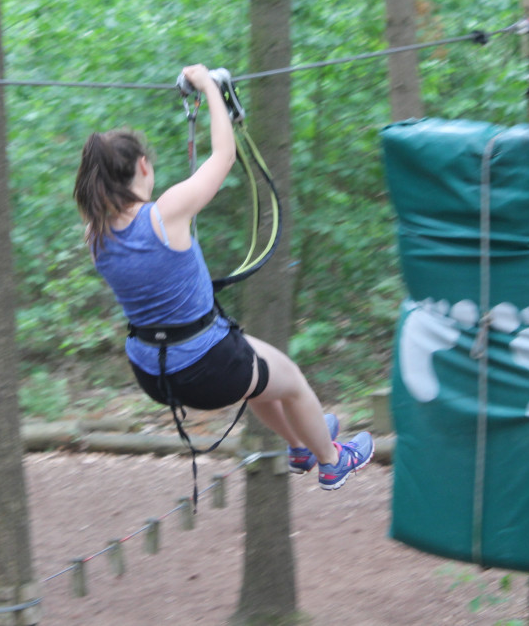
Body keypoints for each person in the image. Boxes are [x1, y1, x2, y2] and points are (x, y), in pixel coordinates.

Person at [73, 63, 374, 490]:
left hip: (153, 372)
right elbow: (224, 156)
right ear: (143, 166)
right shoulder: (166, 213)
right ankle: (332, 460)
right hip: (206, 366)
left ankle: (301, 445)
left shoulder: (95, 234)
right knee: (293, 382)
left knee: (259, 381)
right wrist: (210, 88)